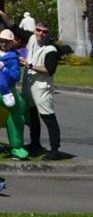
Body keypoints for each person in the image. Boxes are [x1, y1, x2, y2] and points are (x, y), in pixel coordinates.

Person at [20, 20, 62, 159]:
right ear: (34, 30)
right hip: (29, 85)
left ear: (48, 33)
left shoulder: (51, 49)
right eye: (38, 30)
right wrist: (1, 15)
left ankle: (55, 151)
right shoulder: (32, 38)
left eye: (44, 31)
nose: (40, 34)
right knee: (32, 115)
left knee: (48, 117)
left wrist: (30, 65)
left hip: (42, 88)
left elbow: (49, 70)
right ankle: (35, 144)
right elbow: (13, 27)